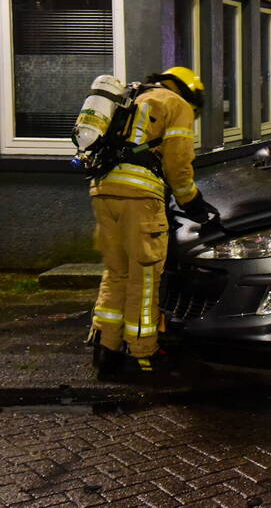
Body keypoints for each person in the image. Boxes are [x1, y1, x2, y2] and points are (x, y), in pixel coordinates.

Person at [86, 66, 218, 379]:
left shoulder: (133, 99)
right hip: (140, 197)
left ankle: (106, 349)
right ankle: (144, 355)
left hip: (102, 190)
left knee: (116, 272)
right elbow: (177, 163)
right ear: (189, 91)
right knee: (144, 277)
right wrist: (195, 205)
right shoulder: (176, 104)